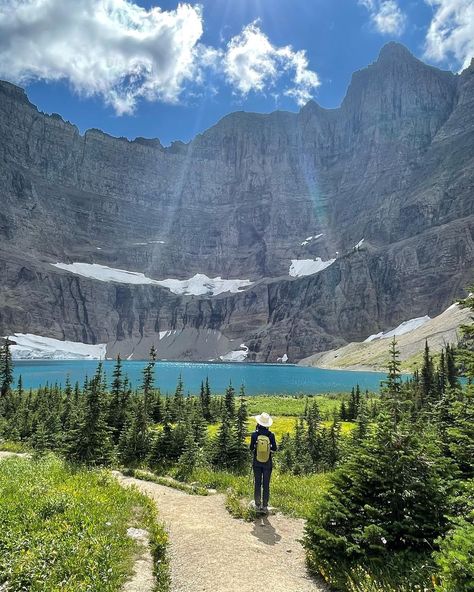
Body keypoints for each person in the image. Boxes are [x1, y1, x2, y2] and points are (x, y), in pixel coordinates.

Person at [250, 412, 277, 514]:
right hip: (267, 463)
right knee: (266, 484)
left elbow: (251, 448)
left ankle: (257, 505)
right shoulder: (271, 435)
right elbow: (274, 448)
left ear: (259, 423)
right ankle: (265, 506)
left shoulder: (254, 435)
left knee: (257, 483)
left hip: (256, 462)